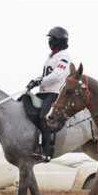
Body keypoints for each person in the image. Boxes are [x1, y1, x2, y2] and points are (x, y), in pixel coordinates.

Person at [26, 26, 72, 162]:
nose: (49, 41)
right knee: (25, 104)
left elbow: (57, 76)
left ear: (58, 40)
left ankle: (46, 151)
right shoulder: (51, 57)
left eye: (51, 39)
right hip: (43, 93)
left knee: (44, 117)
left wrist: (40, 81)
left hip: (54, 93)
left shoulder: (64, 57)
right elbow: (46, 74)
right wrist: (35, 80)